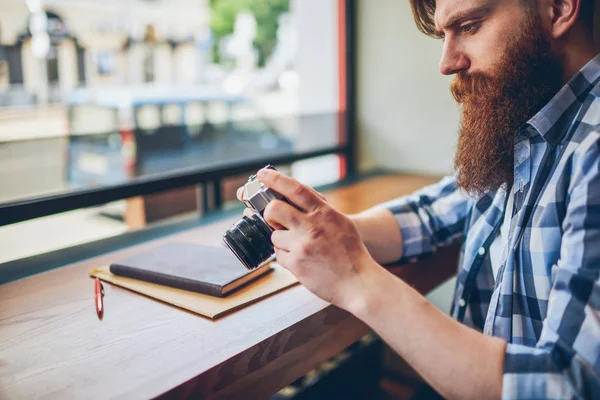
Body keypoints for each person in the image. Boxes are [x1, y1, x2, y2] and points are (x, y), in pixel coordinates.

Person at [239, 0, 600, 398]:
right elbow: (437, 212)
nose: (446, 63)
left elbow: (568, 385)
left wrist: (357, 278)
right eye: (443, 35)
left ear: (560, 8)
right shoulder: (534, 123)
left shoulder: (592, 149)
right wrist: (322, 226)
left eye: (470, 25)